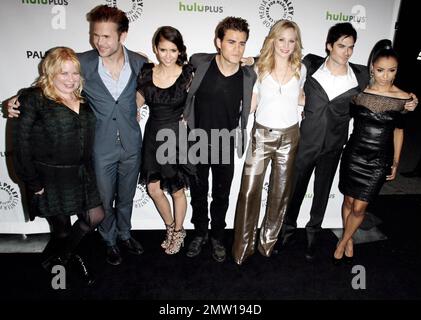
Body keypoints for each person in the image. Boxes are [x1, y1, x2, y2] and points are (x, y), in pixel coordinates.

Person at [8, 5, 148, 266]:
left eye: (106, 36)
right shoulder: (82, 62)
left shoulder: (141, 63)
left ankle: (125, 233)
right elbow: (52, 79)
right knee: (104, 201)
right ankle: (108, 240)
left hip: (131, 144)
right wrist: (16, 100)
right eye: (95, 35)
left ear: (123, 36)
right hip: (99, 147)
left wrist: (139, 101)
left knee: (126, 196)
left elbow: (165, 78)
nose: (99, 41)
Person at [278, 23, 418, 262]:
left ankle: (313, 234)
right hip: (306, 144)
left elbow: (386, 87)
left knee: (321, 195)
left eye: (351, 47)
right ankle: (287, 233)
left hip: (334, 147)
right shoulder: (310, 64)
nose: (346, 52)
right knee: (294, 193)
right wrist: (250, 61)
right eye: (341, 46)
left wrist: (410, 100)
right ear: (329, 46)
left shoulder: (362, 75)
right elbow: (279, 59)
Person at [13, 47, 104, 285]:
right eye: (64, 73)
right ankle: (59, 266)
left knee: (95, 216)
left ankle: (61, 257)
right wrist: (32, 182)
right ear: (50, 72)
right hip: (50, 176)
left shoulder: (84, 99)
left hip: (82, 173)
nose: (71, 79)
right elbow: (21, 144)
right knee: (62, 229)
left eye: (74, 73)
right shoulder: (35, 98)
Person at [183, 17, 257, 262]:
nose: (237, 49)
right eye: (231, 42)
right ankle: (200, 233)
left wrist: (254, 60)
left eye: (242, 44)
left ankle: (216, 236)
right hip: (197, 142)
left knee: (222, 195)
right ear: (218, 42)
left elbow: (276, 59)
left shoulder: (248, 76)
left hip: (226, 143)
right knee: (198, 193)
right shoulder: (200, 63)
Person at [231, 20, 305, 265]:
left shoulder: (301, 69)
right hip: (262, 135)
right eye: (281, 39)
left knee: (280, 194)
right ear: (272, 40)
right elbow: (251, 105)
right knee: (249, 190)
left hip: (290, 137)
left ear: (296, 44)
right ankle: (243, 247)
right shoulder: (258, 68)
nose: (286, 45)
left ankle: (267, 244)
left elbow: (302, 98)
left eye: (291, 40)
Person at [333, 39, 411, 264]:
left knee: (360, 207)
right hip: (354, 154)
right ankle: (348, 240)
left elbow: (398, 131)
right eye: (380, 70)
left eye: (391, 70)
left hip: (378, 160)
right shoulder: (360, 91)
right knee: (348, 202)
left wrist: (395, 163)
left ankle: (343, 240)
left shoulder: (404, 98)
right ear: (372, 69)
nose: (386, 76)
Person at [136, 26, 195, 254]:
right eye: (163, 50)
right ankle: (170, 227)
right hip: (152, 137)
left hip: (176, 138)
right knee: (153, 189)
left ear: (179, 50)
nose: (168, 55)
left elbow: (199, 99)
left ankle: (179, 231)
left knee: (177, 190)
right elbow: (135, 104)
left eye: (173, 50)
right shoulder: (146, 73)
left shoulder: (188, 74)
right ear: (156, 49)